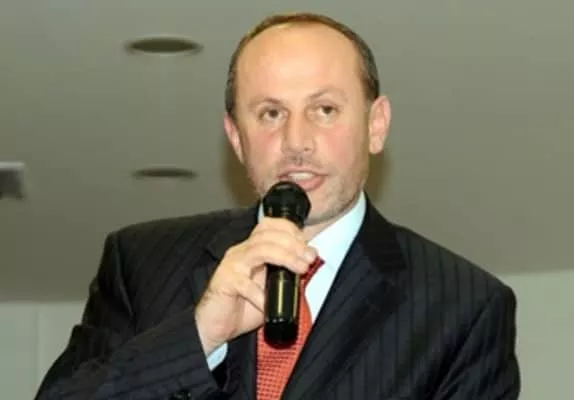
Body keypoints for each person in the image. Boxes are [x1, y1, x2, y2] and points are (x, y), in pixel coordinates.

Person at [35, 12, 520, 400]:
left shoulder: (464, 307)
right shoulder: (141, 263)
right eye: (270, 113)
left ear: (376, 125)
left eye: (324, 110)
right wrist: (199, 336)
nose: (296, 141)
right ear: (236, 138)